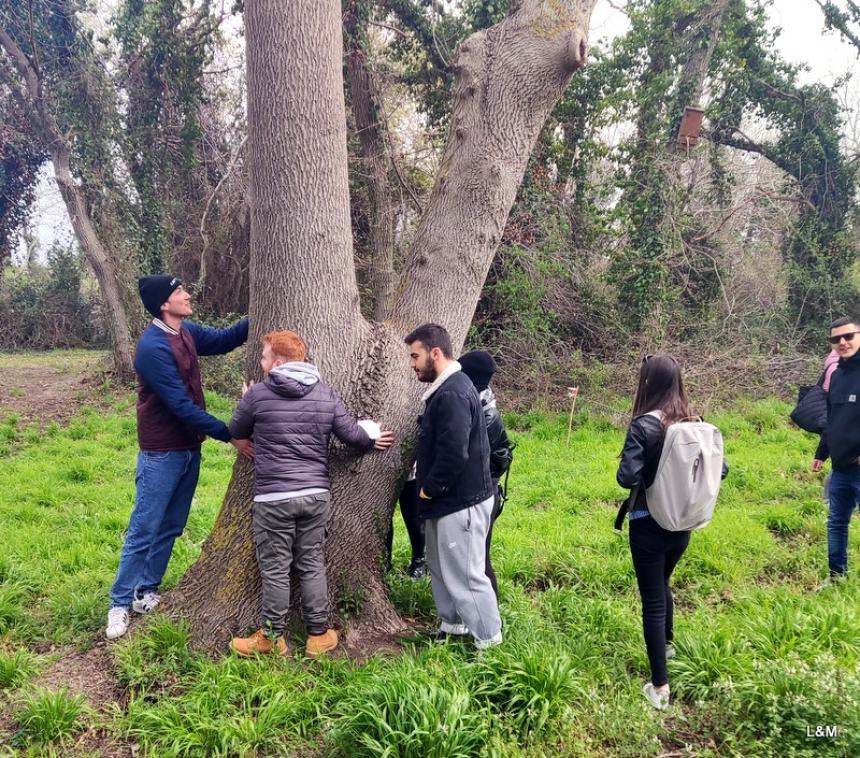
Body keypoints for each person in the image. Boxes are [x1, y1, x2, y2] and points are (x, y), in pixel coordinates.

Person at [229, 330, 394, 658]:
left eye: (263, 357)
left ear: (277, 361)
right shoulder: (324, 394)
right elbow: (352, 436)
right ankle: (318, 635)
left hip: (273, 497)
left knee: (275, 567)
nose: (261, 363)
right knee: (311, 562)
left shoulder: (258, 395)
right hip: (315, 495)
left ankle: (272, 637)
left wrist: (246, 400)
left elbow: (235, 432)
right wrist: (371, 437)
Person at [105, 276, 251, 640]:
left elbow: (223, 340)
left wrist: (265, 308)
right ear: (163, 305)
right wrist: (229, 433)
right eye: (178, 292)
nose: (187, 295)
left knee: (172, 524)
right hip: (161, 452)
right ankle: (119, 604)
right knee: (144, 529)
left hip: (189, 448)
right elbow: (180, 406)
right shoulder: (153, 347)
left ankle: (145, 591)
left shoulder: (183, 331)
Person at [616, 355, 726, 710]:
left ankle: (660, 686)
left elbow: (626, 478)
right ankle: (668, 644)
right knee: (663, 584)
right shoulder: (695, 422)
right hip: (684, 523)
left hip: (648, 522)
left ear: (646, 383)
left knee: (652, 599)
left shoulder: (643, 426)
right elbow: (720, 470)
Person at [405, 323, 502, 649]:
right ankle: (454, 627)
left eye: (415, 356)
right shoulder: (449, 389)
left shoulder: (454, 393)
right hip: (448, 501)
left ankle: (490, 646)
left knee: (468, 576)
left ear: (435, 353)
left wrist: (428, 488)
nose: (412, 364)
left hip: (460, 501)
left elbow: (454, 451)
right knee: (442, 570)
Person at [458, 350, 513, 598]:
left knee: (479, 557)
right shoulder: (481, 402)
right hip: (485, 490)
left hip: (482, 492)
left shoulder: (483, 412)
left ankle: (490, 620)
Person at [812, 316, 860, 579]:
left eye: (848, 336)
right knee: (837, 524)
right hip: (840, 467)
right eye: (836, 339)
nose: (842, 342)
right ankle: (836, 577)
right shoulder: (838, 375)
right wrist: (822, 453)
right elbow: (832, 419)